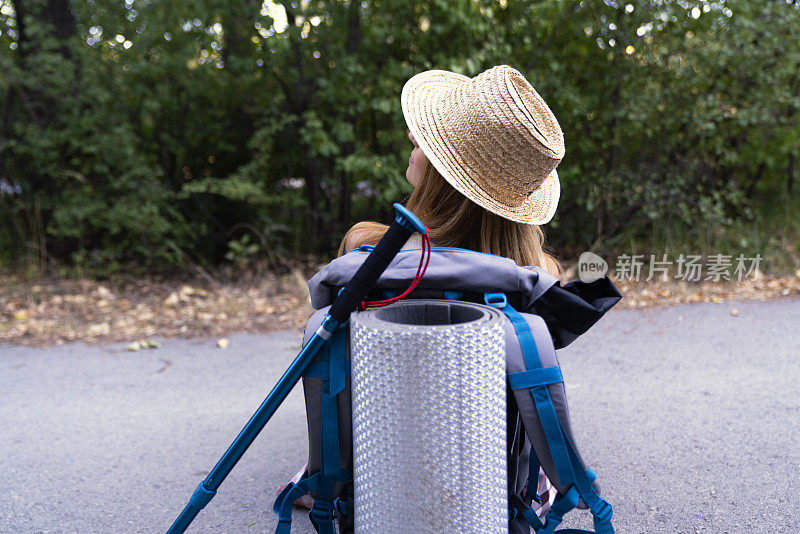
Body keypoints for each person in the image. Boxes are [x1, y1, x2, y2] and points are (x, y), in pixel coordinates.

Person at [282, 64, 566, 527]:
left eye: (424, 138)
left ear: (441, 170)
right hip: (489, 482)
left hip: (376, 472)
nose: (412, 136)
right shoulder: (535, 279)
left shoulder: (367, 256)